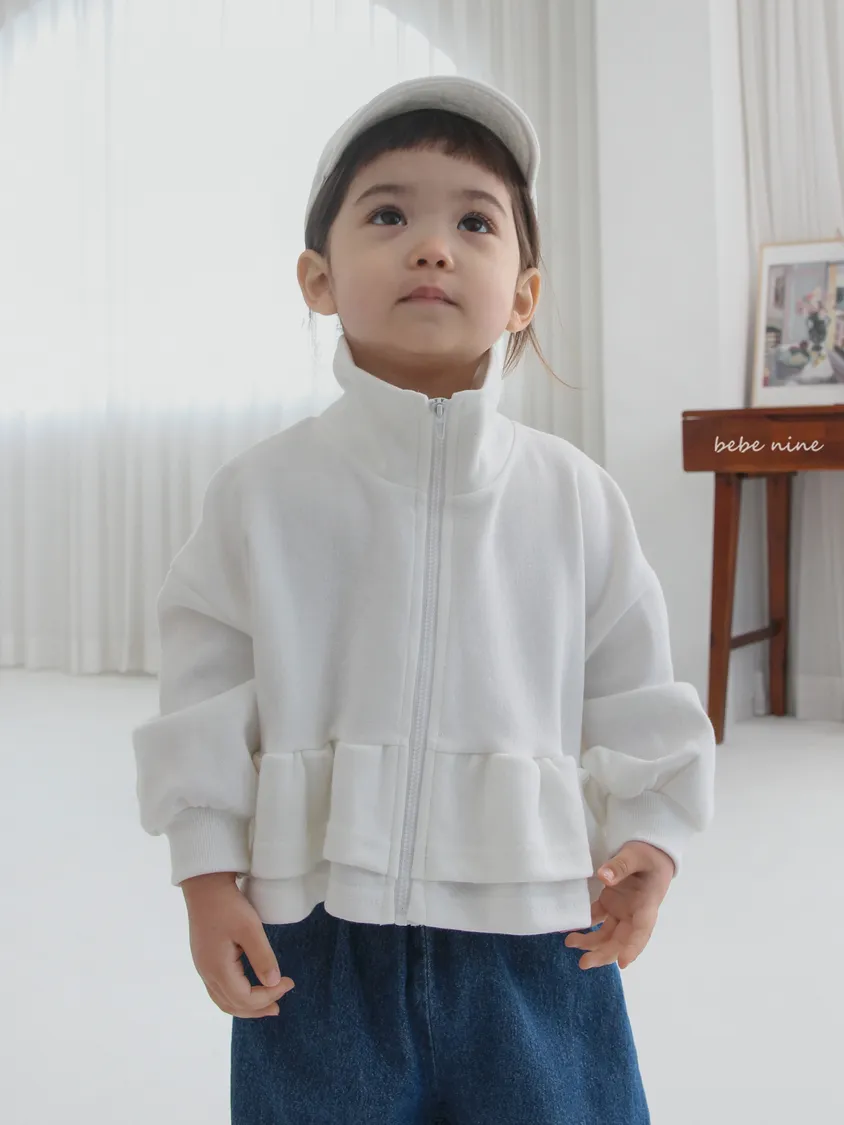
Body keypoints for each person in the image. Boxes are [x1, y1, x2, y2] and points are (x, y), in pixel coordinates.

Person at [132, 75, 716, 1125]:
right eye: (389, 215)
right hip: (315, 937)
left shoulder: (574, 497)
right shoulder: (262, 494)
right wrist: (206, 876)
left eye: (474, 222)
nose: (433, 247)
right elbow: (204, 699)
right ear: (318, 279)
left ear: (523, 295)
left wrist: (653, 839)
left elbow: (635, 689)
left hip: (534, 930)